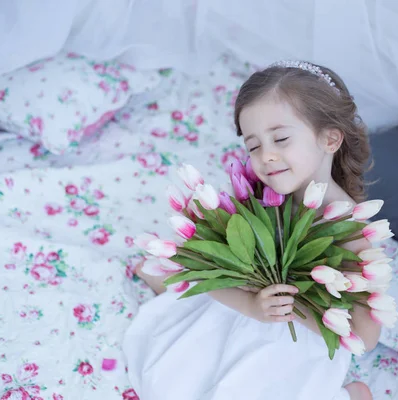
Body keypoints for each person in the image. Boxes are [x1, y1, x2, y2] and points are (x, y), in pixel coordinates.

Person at [123, 60, 379, 400]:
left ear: (329, 138)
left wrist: (292, 307)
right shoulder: (259, 198)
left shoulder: (354, 234)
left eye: (281, 138)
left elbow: (364, 337)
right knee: (173, 380)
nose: (266, 157)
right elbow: (216, 273)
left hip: (294, 348)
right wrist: (251, 306)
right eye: (253, 145)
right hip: (242, 313)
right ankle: (174, 296)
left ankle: (354, 394)